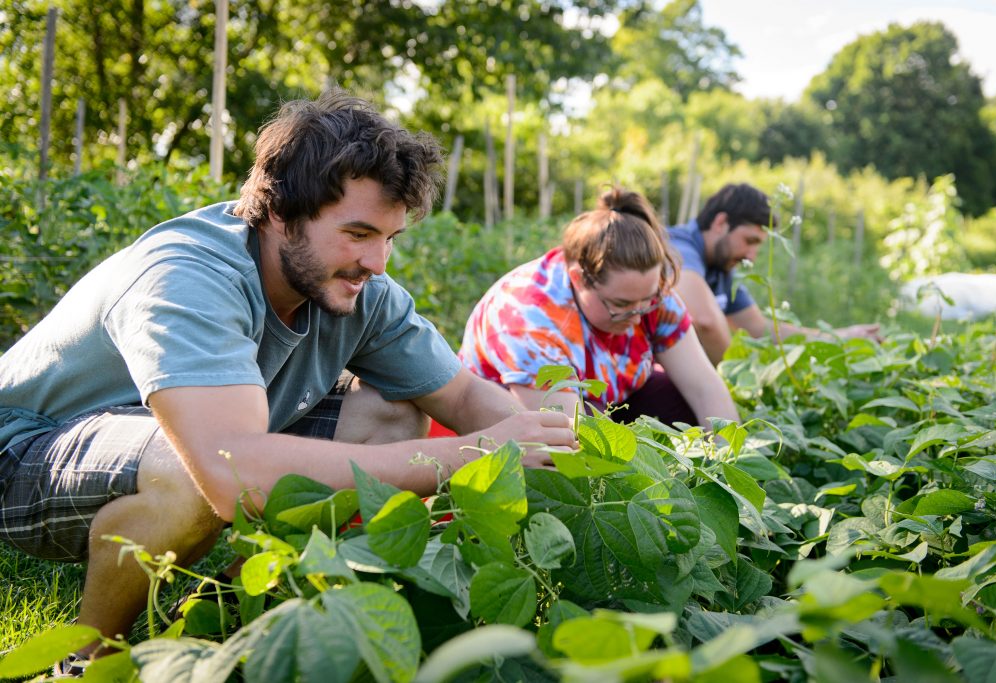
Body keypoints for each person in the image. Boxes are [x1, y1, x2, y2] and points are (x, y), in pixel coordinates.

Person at [0, 89, 576, 665]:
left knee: (394, 411)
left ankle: (210, 633)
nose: (378, 263)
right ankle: (88, 664)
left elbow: (465, 396)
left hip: (176, 440)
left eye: (389, 238)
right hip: (24, 447)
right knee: (202, 470)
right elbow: (233, 476)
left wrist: (573, 457)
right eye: (357, 234)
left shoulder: (358, 290)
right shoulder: (187, 274)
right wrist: (473, 457)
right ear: (280, 211)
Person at [460, 187, 739, 430]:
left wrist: (729, 466)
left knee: (683, 404)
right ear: (578, 279)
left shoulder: (649, 297)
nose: (637, 315)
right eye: (621, 305)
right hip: (509, 420)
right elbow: (568, 438)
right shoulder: (529, 320)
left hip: (606, 400)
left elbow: (705, 390)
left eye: (648, 301)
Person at [668, 183, 883, 366]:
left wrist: (840, 337)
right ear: (720, 223)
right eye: (749, 241)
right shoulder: (677, 248)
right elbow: (705, 321)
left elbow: (760, 328)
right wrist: (735, 384)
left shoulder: (721, 268)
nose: (751, 257)